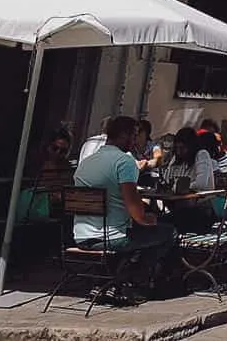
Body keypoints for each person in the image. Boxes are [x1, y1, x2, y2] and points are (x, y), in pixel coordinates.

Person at [73, 116, 177, 285]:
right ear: (124, 136)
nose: (136, 141)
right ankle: (138, 280)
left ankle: (113, 276)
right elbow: (136, 211)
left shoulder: (87, 163)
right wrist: (148, 219)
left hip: (81, 236)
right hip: (113, 237)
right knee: (168, 232)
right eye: (134, 136)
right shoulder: (124, 162)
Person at [133, 120, 162, 187]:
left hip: (151, 179)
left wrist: (146, 164)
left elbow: (158, 159)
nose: (136, 134)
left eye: (139, 131)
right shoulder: (130, 147)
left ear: (146, 133)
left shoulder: (154, 146)